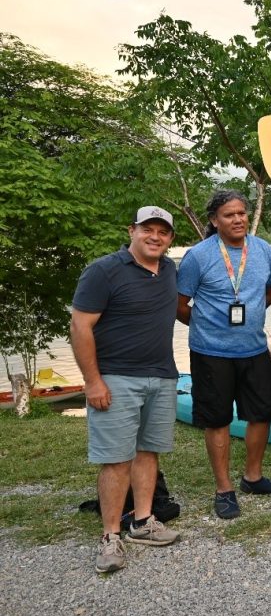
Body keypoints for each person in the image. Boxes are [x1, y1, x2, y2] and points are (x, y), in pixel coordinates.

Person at [71, 206, 181, 573]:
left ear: (170, 238)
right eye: (148, 229)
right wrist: (92, 381)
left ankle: (142, 521)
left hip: (162, 376)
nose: (155, 236)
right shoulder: (103, 271)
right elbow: (80, 327)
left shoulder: (169, 269)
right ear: (132, 230)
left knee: (148, 452)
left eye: (162, 232)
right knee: (117, 459)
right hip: (116, 378)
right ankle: (110, 535)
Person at [176, 190, 271, 520]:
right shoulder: (198, 256)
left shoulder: (263, 249)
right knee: (217, 418)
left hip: (254, 348)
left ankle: (253, 477)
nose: (238, 219)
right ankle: (224, 490)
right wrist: (208, 325)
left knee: (262, 413)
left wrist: (250, 312)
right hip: (211, 352)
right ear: (214, 220)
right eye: (229, 215)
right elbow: (179, 304)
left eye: (242, 213)